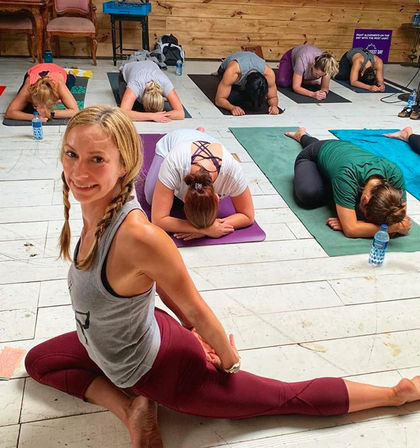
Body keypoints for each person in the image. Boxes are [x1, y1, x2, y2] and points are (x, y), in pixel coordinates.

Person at [25, 106, 420, 448]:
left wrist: (226, 360)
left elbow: (195, 304)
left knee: (282, 398)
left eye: (96, 160)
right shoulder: (95, 202)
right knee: (39, 361)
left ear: (124, 164)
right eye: (71, 154)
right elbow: (156, 284)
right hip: (114, 339)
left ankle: (395, 395)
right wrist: (183, 324)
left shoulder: (138, 234)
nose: (77, 172)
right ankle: (132, 408)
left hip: (160, 367)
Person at [285, 127, 411, 238]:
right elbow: (351, 230)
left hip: (344, 156)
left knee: (344, 193)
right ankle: (302, 136)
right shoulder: (347, 175)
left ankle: (339, 194)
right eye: (368, 219)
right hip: (315, 155)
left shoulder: (395, 174)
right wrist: (393, 228)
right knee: (309, 194)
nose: (368, 222)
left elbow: (402, 216)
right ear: (365, 199)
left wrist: (358, 224)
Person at [144, 127, 254, 240]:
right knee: (151, 198)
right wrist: (205, 229)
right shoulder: (174, 164)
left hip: (209, 143)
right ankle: (195, 133)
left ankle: (198, 134)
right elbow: (158, 220)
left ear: (217, 198)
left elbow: (248, 215)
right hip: (175, 141)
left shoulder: (233, 173)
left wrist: (212, 228)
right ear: (185, 198)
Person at [5, 62, 79, 122]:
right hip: (34, 71)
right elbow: (9, 113)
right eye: (35, 106)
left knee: (69, 83)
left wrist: (50, 113)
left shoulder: (59, 85)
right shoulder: (28, 89)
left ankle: (71, 75)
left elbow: (75, 111)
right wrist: (35, 117)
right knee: (25, 107)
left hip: (56, 70)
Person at [214, 51, 281, 116]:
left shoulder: (268, 74)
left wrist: (274, 106)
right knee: (233, 97)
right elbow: (219, 99)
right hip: (226, 67)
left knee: (257, 98)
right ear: (245, 83)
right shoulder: (233, 72)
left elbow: (273, 96)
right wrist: (232, 108)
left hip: (250, 61)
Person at [119, 60, 184, 122]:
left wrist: (157, 116)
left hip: (150, 64)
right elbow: (123, 112)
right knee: (133, 105)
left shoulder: (165, 83)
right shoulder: (136, 84)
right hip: (128, 71)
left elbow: (180, 113)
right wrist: (152, 116)